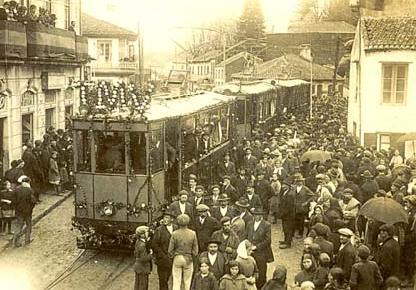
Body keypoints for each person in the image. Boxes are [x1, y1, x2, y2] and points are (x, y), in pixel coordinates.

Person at [246, 207, 274, 290]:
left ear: (261, 216)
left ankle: (261, 287)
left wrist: (256, 247)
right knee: (250, 270)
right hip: (250, 252)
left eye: (258, 215)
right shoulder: (250, 223)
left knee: (261, 272)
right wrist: (248, 246)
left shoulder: (266, 225)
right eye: (255, 215)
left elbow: (268, 240)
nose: (256, 216)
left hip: (261, 253)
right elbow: (246, 236)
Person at [168, 213, 199, 290]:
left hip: (177, 258)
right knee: (187, 281)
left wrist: (173, 256)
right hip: (188, 258)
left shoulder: (175, 234)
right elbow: (195, 250)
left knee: (176, 280)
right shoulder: (193, 233)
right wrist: (192, 256)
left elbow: (170, 250)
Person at [151, 210, 177, 290]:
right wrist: (163, 255)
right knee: (163, 280)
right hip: (162, 259)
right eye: (164, 217)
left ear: (172, 219)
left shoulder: (176, 228)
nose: (165, 220)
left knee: (170, 278)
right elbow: (154, 245)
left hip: (173, 258)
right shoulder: (159, 230)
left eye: (167, 218)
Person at [134, 226, 153, 290]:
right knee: (143, 286)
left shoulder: (138, 241)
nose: (148, 233)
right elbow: (144, 259)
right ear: (142, 234)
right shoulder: (143, 245)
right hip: (143, 268)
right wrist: (151, 254)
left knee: (137, 285)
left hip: (138, 267)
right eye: (146, 232)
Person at [278, 182, 296, 249]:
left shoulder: (290, 194)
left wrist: (283, 214)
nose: (282, 186)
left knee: (288, 229)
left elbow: (288, 207)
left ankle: (288, 243)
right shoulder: (286, 192)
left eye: (284, 185)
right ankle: (286, 241)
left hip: (288, 215)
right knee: (285, 228)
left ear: (288, 186)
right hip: (286, 214)